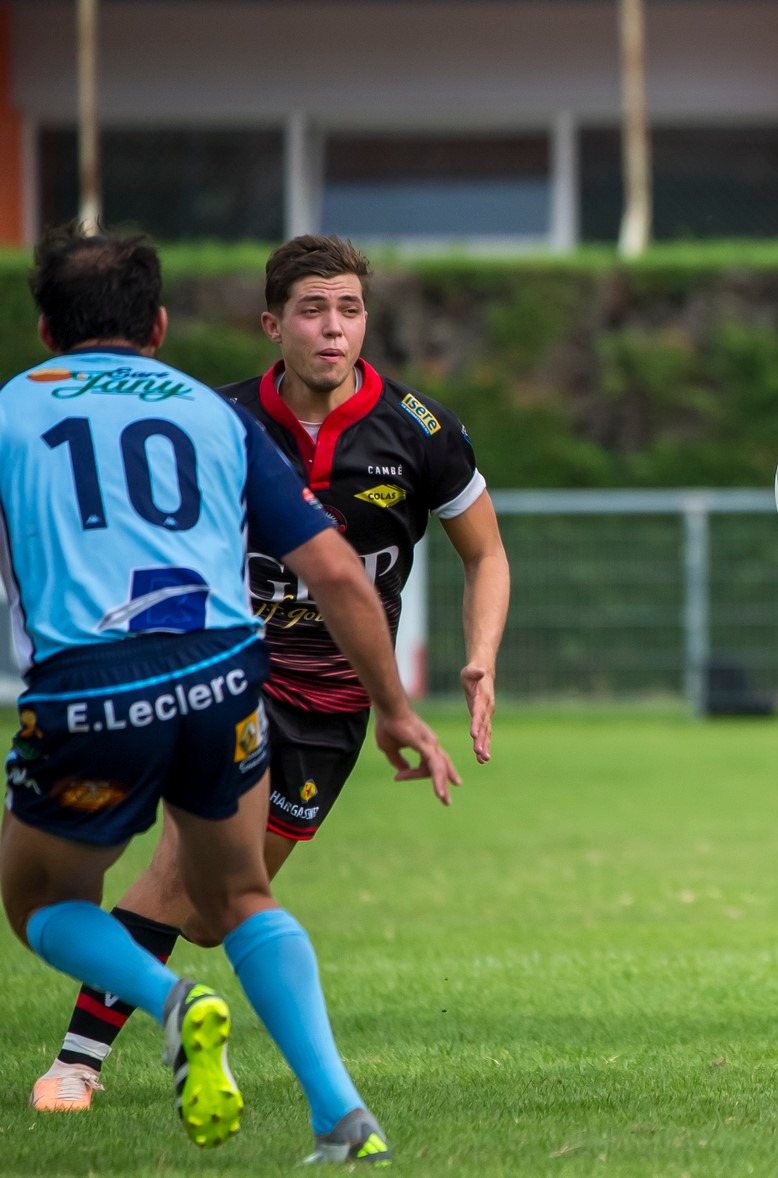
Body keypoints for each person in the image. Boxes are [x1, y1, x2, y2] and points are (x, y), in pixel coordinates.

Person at [3, 225, 459, 1163]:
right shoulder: (212, 415)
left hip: (94, 684)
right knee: (237, 893)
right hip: (226, 679)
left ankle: (172, 999)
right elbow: (337, 569)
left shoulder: (13, 408)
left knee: (40, 900)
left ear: (45, 330)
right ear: (161, 325)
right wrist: (400, 709)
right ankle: (341, 1114)